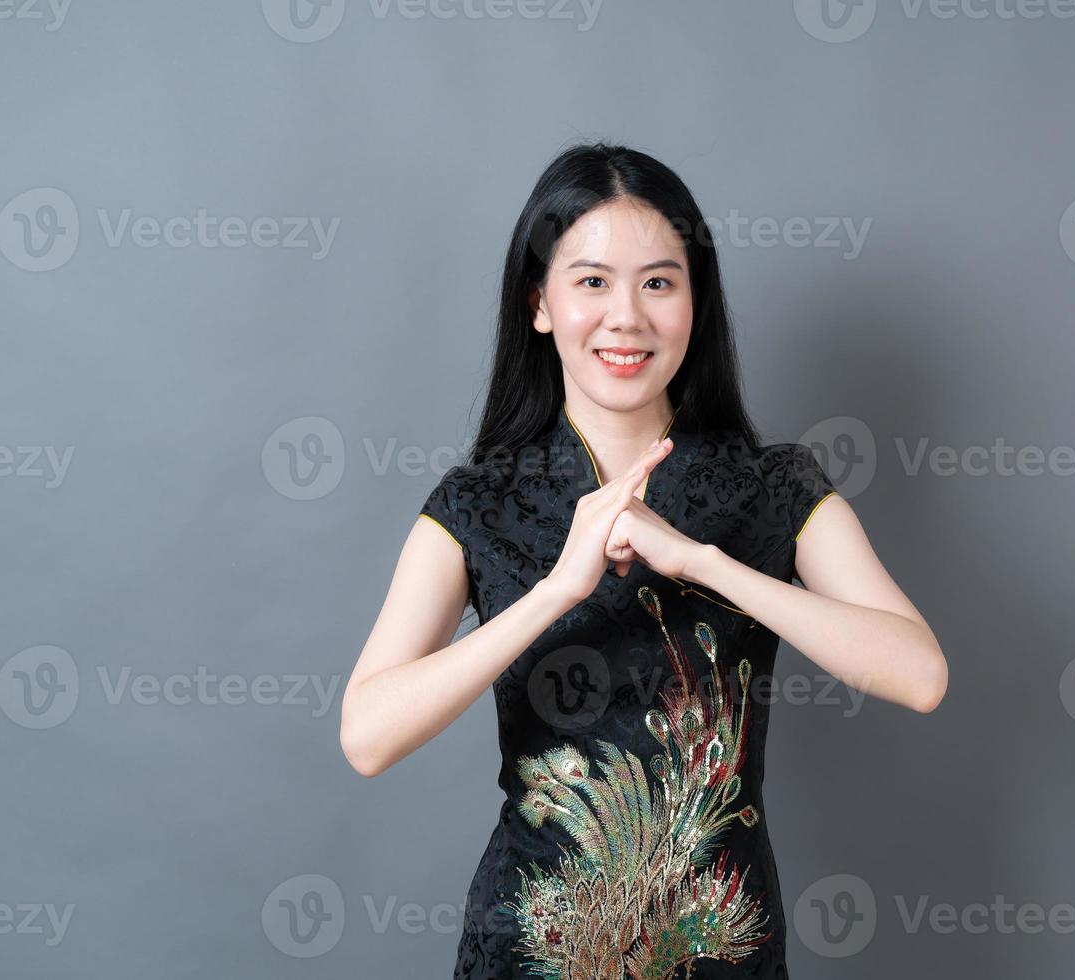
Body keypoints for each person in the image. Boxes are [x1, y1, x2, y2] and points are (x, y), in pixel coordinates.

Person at [340, 141, 947, 979]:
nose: (626, 316)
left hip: (721, 951)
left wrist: (705, 562)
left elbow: (919, 674)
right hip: (530, 953)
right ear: (539, 303)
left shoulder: (771, 488)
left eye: (658, 282)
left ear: (695, 304)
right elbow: (366, 736)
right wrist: (557, 589)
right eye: (591, 281)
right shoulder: (478, 505)